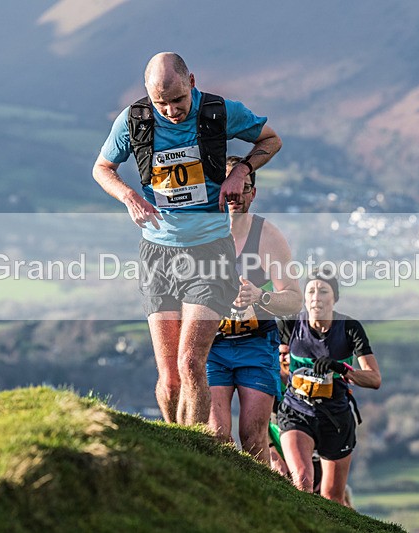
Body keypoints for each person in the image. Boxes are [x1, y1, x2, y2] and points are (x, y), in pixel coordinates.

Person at [92, 52, 282, 426]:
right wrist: (130, 196)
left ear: (192, 82)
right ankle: (174, 442)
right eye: (160, 103)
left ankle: (192, 445)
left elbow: (271, 140)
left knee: (191, 361)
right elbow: (102, 168)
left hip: (210, 251)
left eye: (177, 101)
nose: (170, 111)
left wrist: (241, 170)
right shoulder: (135, 120)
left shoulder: (220, 112)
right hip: (157, 252)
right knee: (169, 375)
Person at [207, 156, 301, 463]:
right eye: (228, 188)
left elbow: (294, 300)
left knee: (252, 435)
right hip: (211, 344)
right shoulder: (201, 235)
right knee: (217, 433)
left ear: (253, 193)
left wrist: (261, 296)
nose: (234, 196)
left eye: (243, 188)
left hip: (256, 342)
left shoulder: (267, 236)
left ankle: (259, 506)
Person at [276, 266, 381, 506]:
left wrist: (342, 369)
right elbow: (278, 365)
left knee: (332, 498)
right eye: (311, 291)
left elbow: (374, 379)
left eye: (323, 291)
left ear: (334, 298)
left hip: (336, 417)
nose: (316, 297)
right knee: (302, 481)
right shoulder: (291, 324)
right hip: (297, 411)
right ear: (304, 297)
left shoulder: (349, 328)